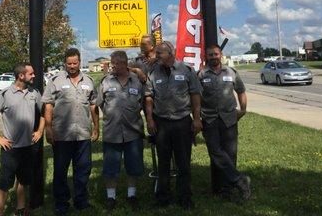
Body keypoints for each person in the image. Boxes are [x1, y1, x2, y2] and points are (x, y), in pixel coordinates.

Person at [145, 41, 202, 210]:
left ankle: (185, 198)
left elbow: (195, 95)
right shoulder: (153, 72)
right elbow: (149, 96)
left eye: (159, 53)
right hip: (161, 123)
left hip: (182, 122)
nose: (156, 56)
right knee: (163, 162)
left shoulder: (186, 70)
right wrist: (149, 119)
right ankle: (163, 197)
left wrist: (197, 118)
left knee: (183, 162)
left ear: (170, 54)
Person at [42, 48, 99, 215]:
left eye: (75, 63)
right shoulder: (55, 80)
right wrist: (48, 129)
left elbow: (93, 105)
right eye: (69, 63)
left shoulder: (88, 81)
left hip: (82, 134)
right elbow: (48, 105)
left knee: (83, 170)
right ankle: (62, 202)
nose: (72, 66)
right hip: (62, 134)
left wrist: (96, 127)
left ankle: (81, 201)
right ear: (64, 63)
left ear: (79, 62)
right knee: (60, 170)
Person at [0, 63, 45, 216]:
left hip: (28, 147)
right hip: (10, 149)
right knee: (4, 184)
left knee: (24, 181)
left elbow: (44, 113)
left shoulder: (35, 93)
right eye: (31, 73)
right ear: (21, 76)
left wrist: (39, 131)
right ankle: (0, 213)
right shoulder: (4, 94)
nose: (34, 76)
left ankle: (21, 210)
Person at [198, 44, 251, 202]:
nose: (213, 57)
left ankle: (227, 189)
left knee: (230, 154)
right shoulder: (200, 75)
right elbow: (196, 98)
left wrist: (243, 110)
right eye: (210, 55)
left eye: (215, 54)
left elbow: (241, 91)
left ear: (220, 54)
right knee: (215, 152)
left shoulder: (231, 72)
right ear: (206, 56)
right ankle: (239, 180)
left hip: (229, 119)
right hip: (209, 118)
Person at [97, 50, 146, 211]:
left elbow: (144, 102)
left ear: (125, 64)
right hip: (112, 133)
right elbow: (99, 103)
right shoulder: (106, 81)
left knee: (134, 167)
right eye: (113, 64)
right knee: (111, 168)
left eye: (117, 64)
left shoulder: (137, 81)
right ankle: (111, 197)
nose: (114, 67)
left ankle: (132, 195)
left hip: (133, 132)